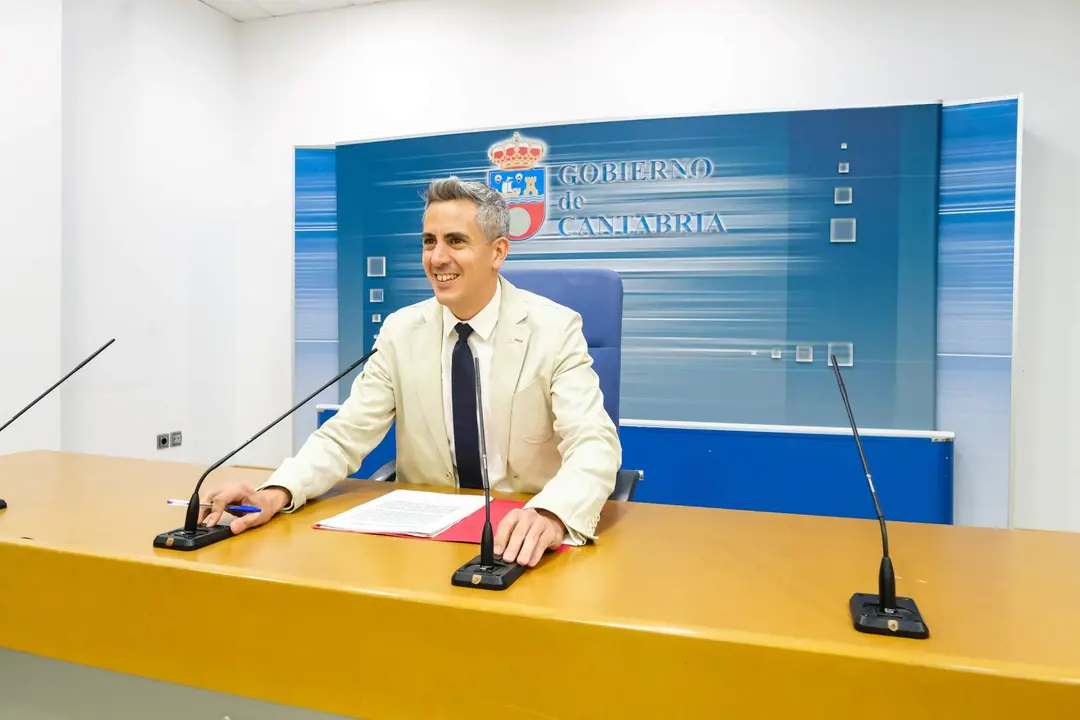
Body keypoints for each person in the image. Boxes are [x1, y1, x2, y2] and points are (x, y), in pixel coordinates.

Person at [202, 176, 622, 567]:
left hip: (521, 532)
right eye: (429, 241)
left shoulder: (555, 328)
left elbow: (594, 444)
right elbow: (345, 435)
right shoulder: (401, 330)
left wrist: (551, 513)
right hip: (422, 535)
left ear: (498, 252)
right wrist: (276, 491)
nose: (437, 258)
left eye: (456, 241)